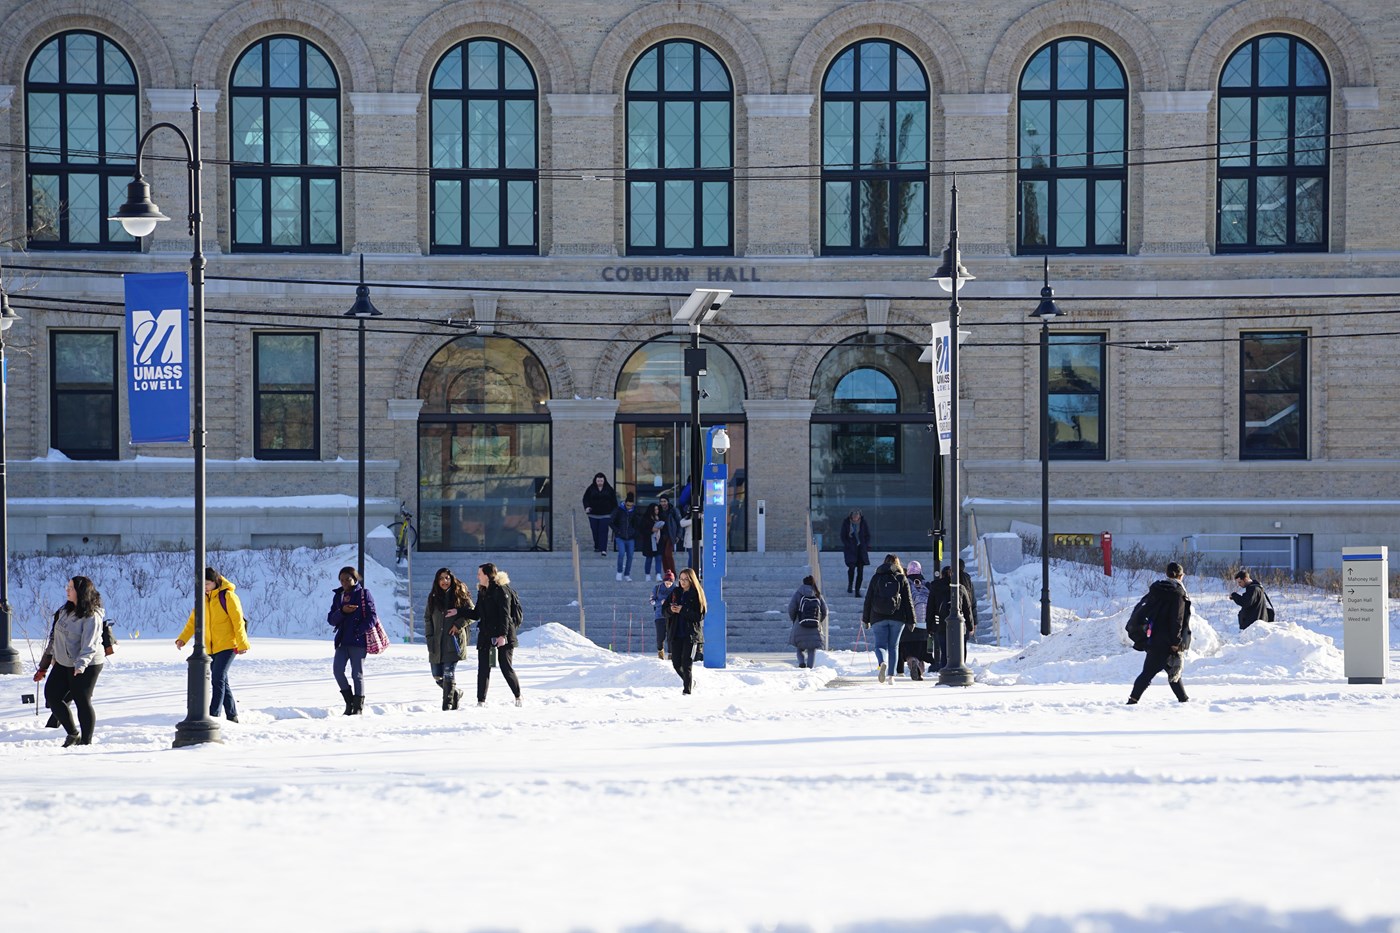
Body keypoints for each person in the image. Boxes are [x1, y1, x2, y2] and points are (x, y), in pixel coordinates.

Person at [33, 576, 105, 747]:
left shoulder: (92, 616)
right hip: (64, 661)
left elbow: (90, 644)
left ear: (81, 592)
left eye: (71, 587)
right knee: (52, 695)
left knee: (82, 699)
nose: (67, 590)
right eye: (67, 586)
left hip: (88, 663)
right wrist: (44, 666)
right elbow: (54, 639)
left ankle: (86, 742)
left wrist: (81, 665)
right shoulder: (64, 611)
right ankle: (73, 733)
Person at [177, 567, 249, 723]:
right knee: (222, 680)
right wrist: (183, 638)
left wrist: (242, 643)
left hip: (228, 645)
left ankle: (213, 715)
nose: (205, 587)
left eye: (208, 584)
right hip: (210, 647)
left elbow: (238, 622)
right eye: (202, 585)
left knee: (217, 678)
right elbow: (193, 621)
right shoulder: (203, 598)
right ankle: (232, 716)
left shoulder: (228, 596)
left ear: (216, 582)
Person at [1127, 561, 1192, 705]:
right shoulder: (1178, 593)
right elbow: (1177, 619)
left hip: (1154, 637)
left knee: (1171, 671)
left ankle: (1183, 700)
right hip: (1167, 641)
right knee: (1151, 673)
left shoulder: (1157, 589)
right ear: (1181, 576)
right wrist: (1176, 642)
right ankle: (1132, 701)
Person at [463, 563, 523, 707]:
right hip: (486, 633)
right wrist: (459, 611)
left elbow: (505, 615)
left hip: (504, 634)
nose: (477, 576)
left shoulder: (501, 591)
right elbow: (477, 614)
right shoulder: (482, 591)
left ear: (487, 575)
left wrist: (503, 635)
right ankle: (481, 701)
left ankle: (518, 696)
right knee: (483, 668)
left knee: (505, 666)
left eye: (480, 573)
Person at [327, 566, 378, 715]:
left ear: (355, 579)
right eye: (341, 580)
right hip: (342, 641)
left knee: (357, 674)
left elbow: (372, 616)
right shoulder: (338, 596)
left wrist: (359, 630)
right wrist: (343, 611)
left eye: (347, 579)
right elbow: (331, 619)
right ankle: (349, 703)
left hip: (358, 641)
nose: (344, 583)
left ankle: (358, 707)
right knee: (337, 671)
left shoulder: (363, 594)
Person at [424, 567, 474, 710]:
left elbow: (473, 614)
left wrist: (458, 625)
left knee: (448, 673)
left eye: (447, 578)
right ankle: (456, 693)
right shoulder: (433, 597)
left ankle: (447, 705)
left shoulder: (460, 594)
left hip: (453, 640)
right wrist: (429, 637)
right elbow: (427, 618)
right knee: (437, 676)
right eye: (441, 578)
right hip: (436, 642)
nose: (444, 581)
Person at [862, 554, 915, 683]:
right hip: (898, 617)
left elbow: (868, 599)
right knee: (893, 646)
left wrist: (866, 619)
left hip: (877, 616)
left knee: (880, 645)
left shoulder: (876, 578)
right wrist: (911, 619)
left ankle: (882, 662)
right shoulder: (901, 578)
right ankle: (891, 676)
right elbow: (908, 600)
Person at [666, 567, 706, 695]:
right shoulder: (675, 592)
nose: (682, 582)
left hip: (690, 634)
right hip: (676, 633)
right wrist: (671, 610)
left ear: (691, 580)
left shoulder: (696, 594)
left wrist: (683, 610)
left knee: (687, 663)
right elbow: (664, 610)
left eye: (686, 579)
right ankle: (690, 682)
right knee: (676, 663)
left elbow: (699, 616)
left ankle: (686, 691)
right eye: (681, 579)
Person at [898, 560, 932, 680]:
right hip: (925, 624)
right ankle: (920, 671)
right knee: (921, 651)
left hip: (910, 623)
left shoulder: (905, 583)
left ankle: (912, 662)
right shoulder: (927, 584)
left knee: (909, 651)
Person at [787, 575, 827, 669]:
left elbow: (791, 608)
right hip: (814, 626)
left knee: (799, 648)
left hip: (800, 624)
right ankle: (809, 668)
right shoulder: (817, 594)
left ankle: (801, 663)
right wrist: (819, 620)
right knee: (811, 649)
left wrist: (795, 619)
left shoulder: (798, 593)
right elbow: (825, 611)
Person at [582, 472, 617, 556]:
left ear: (604, 481)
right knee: (595, 531)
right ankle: (597, 546)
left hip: (605, 515)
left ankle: (603, 549)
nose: (600, 482)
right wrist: (587, 507)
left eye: (601, 481)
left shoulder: (609, 489)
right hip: (593, 514)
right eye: (598, 481)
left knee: (603, 531)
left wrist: (613, 513)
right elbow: (585, 499)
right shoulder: (591, 489)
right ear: (595, 481)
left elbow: (614, 502)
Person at [840, 509, 871, 597]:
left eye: (857, 516)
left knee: (860, 571)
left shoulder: (863, 523)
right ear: (851, 516)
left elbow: (867, 535)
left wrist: (865, 544)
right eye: (854, 516)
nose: (855, 518)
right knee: (851, 568)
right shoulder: (846, 523)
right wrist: (848, 544)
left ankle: (857, 590)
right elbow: (843, 536)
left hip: (861, 550)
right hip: (850, 549)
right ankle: (850, 584)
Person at [927, 565, 952, 671]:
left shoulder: (935, 586)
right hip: (957, 621)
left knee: (943, 646)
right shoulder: (958, 586)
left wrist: (929, 625)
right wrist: (970, 623)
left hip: (940, 620)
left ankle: (944, 667)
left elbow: (930, 606)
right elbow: (967, 605)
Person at [611, 492, 639, 581]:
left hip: (630, 537)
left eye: (631, 505)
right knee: (621, 553)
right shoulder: (619, 510)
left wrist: (634, 532)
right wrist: (617, 531)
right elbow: (611, 521)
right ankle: (619, 572)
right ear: (625, 503)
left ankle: (627, 574)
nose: (629, 507)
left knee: (630, 555)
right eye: (627, 505)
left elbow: (637, 523)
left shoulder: (634, 511)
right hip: (620, 536)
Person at [639, 503, 670, 581]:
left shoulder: (661, 517)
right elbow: (642, 530)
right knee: (649, 559)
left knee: (658, 558)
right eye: (655, 509)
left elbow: (665, 529)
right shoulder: (646, 518)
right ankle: (647, 574)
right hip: (649, 542)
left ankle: (658, 574)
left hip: (659, 541)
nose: (657, 511)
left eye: (657, 509)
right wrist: (651, 530)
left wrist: (661, 528)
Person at [650, 569, 676, 659]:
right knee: (660, 636)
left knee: (671, 636)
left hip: (672, 616)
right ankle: (660, 651)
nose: (668, 584)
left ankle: (671, 653)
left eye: (670, 583)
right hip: (660, 615)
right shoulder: (657, 588)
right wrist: (660, 602)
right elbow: (652, 601)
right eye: (667, 582)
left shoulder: (675, 589)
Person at [657, 495, 682, 575]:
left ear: (668, 502)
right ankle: (667, 574)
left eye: (664, 501)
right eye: (661, 501)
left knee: (668, 553)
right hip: (661, 535)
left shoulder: (673, 510)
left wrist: (678, 535)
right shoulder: (658, 510)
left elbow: (679, 523)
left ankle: (673, 573)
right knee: (663, 555)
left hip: (671, 535)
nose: (663, 503)